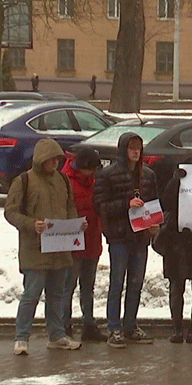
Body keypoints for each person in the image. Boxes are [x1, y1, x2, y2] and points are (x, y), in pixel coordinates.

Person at [5, 138, 83, 355]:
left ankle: (56, 335)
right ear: (40, 159)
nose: (55, 163)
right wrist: (31, 224)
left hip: (60, 249)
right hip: (35, 250)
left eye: (57, 159)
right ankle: (21, 337)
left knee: (57, 294)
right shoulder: (24, 181)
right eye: (50, 159)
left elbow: (70, 208)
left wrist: (75, 226)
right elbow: (10, 212)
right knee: (31, 294)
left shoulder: (63, 180)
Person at [93, 131, 159, 348]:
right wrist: (125, 204)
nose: (135, 152)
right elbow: (100, 206)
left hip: (140, 237)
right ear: (123, 150)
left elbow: (153, 203)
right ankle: (114, 327)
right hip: (119, 235)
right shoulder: (108, 174)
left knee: (136, 283)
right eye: (131, 148)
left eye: (138, 148)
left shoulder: (147, 175)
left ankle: (130, 324)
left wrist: (154, 223)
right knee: (117, 282)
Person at [159, 158, 192, 344]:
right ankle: (177, 328)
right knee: (177, 287)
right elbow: (166, 202)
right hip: (178, 241)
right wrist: (177, 180)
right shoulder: (175, 183)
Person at [61, 146, 107, 343]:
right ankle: (64, 324)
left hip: (92, 238)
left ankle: (88, 324)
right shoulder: (66, 182)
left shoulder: (95, 182)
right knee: (68, 286)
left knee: (88, 286)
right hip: (72, 241)